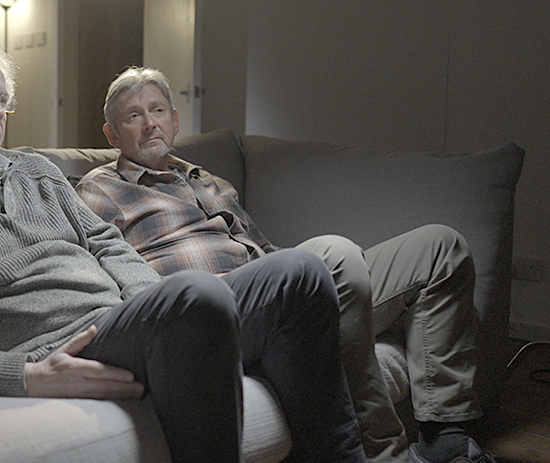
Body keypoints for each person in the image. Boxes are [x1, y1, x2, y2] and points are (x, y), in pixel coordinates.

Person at [0, 37, 366, 463]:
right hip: (58, 348)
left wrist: (151, 312)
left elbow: (107, 245)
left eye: (3, 100)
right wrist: (19, 376)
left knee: (299, 271)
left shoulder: (36, 172)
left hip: (121, 327)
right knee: (197, 296)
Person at [74, 67, 495, 463]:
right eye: (134, 116)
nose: (150, 123)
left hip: (278, 289)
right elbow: (101, 270)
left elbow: (262, 248)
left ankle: (445, 438)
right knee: (335, 252)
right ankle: (384, 454)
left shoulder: (209, 180)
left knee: (439, 247)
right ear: (112, 134)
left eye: (158, 110)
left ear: (175, 120)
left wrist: (297, 267)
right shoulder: (99, 189)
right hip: (214, 310)